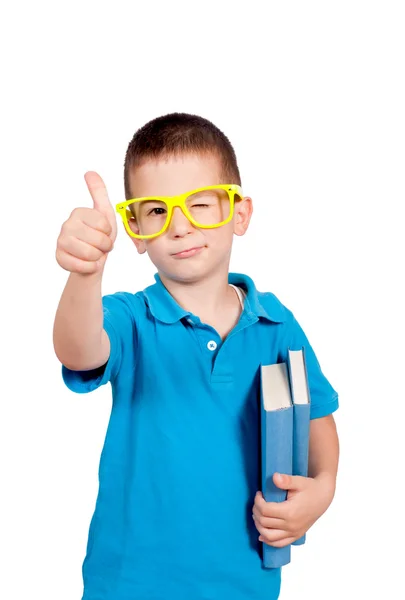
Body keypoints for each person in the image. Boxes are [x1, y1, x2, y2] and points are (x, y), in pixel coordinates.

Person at [53, 112, 339, 600]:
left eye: (200, 204)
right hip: (129, 583)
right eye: (157, 210)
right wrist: (85, 274)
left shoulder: (276, 323)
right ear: (136, 230)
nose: (180, 226)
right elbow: (79, 351)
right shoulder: (130, 318)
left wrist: (324, 488)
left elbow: (317, 420)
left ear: (240, 213)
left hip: (247, 581)